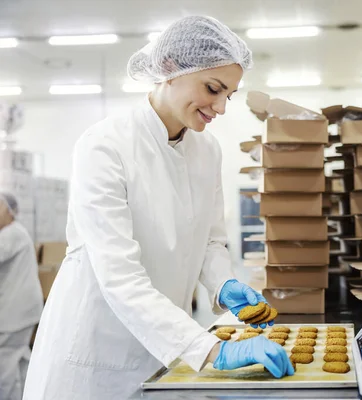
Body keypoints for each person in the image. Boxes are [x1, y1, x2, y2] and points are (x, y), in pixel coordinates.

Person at [23, 16, 293, 400]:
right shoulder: (104, 146)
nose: (220, 107)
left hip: (164, 350)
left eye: (228, 95)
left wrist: (224, 284)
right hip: (93, 359)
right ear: (169, 69)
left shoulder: (206, 150)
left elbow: (210, 242)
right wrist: (211, 349)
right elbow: (119, 276)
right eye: (213, 88)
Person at [0, 192, 43, 400]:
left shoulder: (11, 234)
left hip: (15, 313)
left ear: (10, 211)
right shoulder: (15, 233)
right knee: (21, 359)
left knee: (4, 363)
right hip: (24, 310)